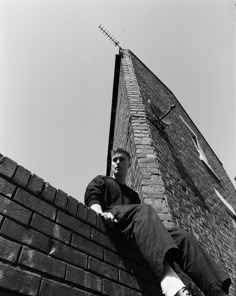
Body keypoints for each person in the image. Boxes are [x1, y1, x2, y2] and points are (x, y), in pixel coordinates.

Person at [84, 148, 231, 296]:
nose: (117, 163)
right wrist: (98, 213)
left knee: (182, 237)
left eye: (121, 159)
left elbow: (143, 221)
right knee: (144, 210)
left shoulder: (133, 195)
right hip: (113, 218)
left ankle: (217, 291)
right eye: (115, 160)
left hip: (134, 227)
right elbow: (93, 195)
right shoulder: (103, 180)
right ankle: (171, 285)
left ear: (129, 164)